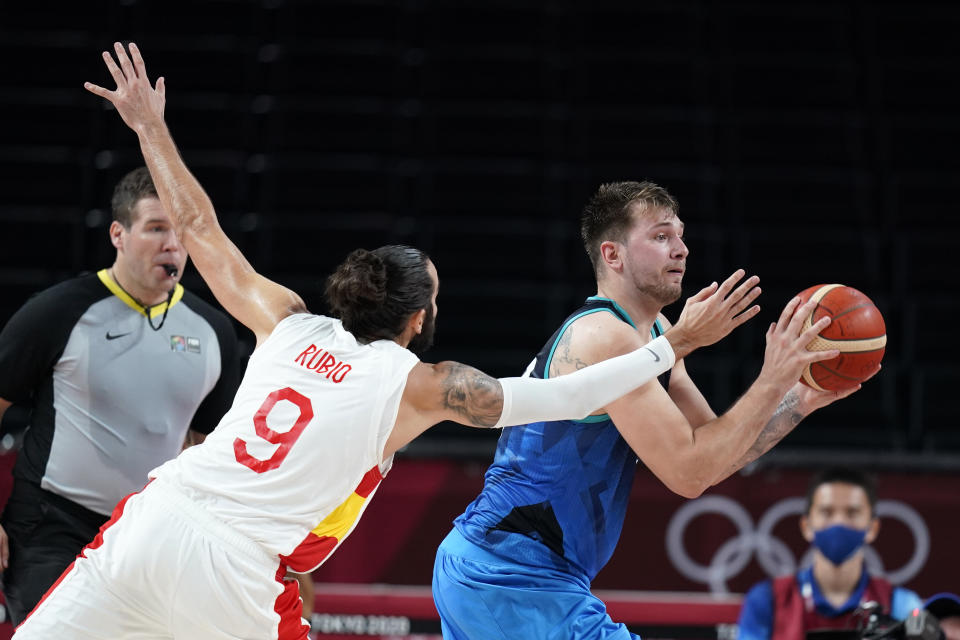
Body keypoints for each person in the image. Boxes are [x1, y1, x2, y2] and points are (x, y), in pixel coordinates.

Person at [12, 43, 757, 640]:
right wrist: (671, 345)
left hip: (154, 519)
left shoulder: (284, 318)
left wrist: (149, 127)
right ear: (417, 319)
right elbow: (561, 397)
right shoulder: (418, 384)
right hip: (237, 571)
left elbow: (200, 228)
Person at [431, 179, 868, 640]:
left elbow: (714, 453)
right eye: (661, 236)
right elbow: (689, 473)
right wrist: (771, 377)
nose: (681, 249)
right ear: (613, 255)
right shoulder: (605, 336)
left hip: (521, 574)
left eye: (680, 236)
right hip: (508, 574)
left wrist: (796, 400)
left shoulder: (654, 330)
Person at [0, 165, 240, 625]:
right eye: (155, 229)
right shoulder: (58, 312)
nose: (172, 244)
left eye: (180, 231)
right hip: (52, 525)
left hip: (149, 530)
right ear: (118, 234)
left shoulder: (214, 330)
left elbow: (206, 446)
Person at [737, 468, 924, 639]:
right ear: (806, 526)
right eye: (826, 512)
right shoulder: (767, 599)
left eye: (852, 513)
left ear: (872, 528)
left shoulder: (901, 604)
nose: (839, 522)